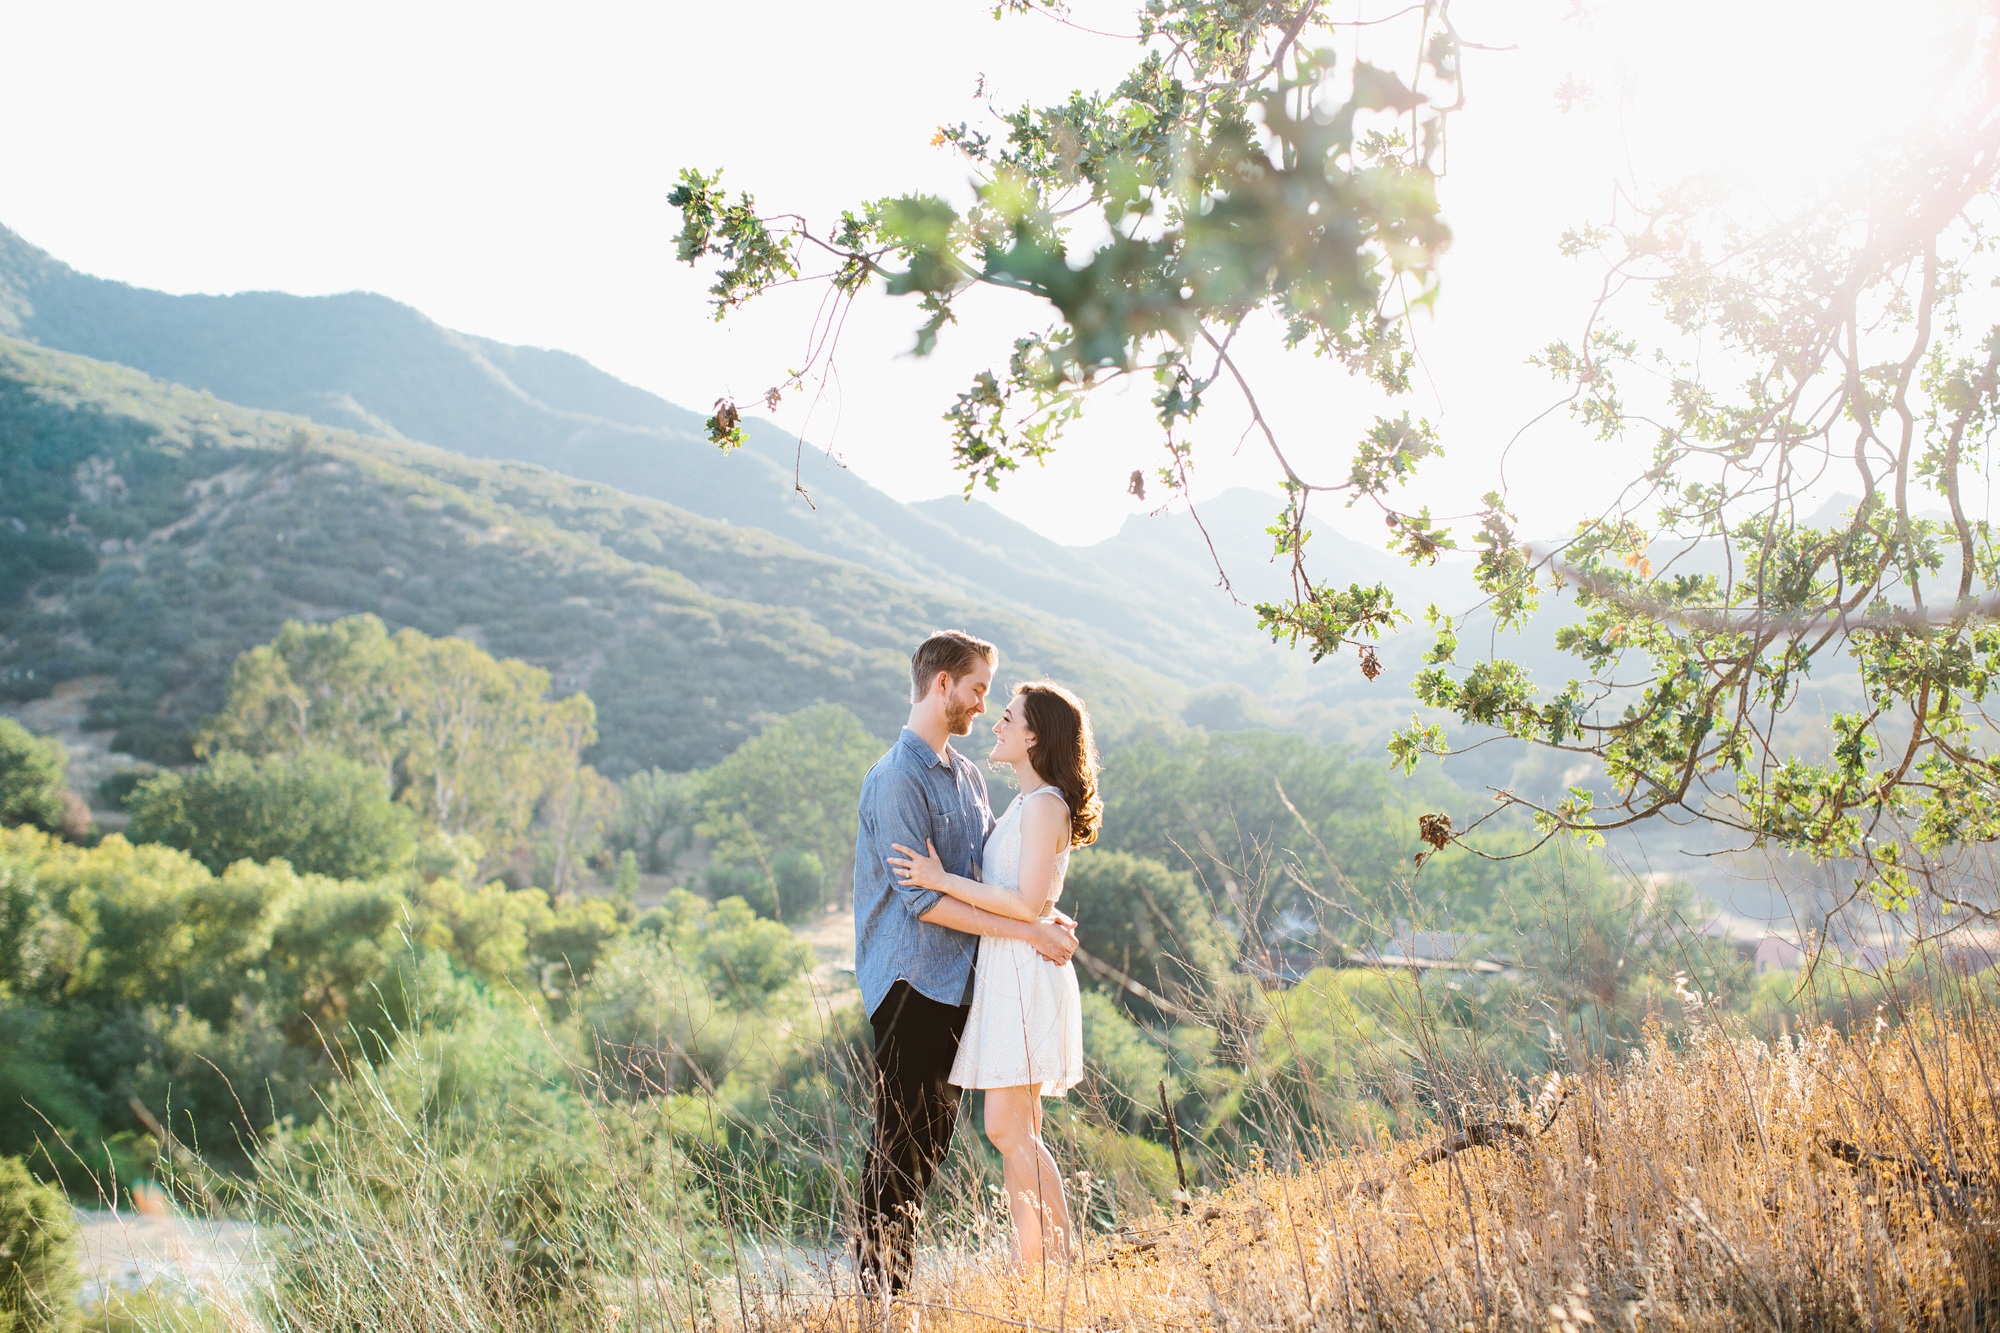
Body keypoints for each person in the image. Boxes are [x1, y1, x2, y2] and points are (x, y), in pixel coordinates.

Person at [853, 631, 1079, 1298]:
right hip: (912, 982)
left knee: (926, 1148)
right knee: (898, 1143)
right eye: (978, 688)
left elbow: (995, 875)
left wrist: (1039, 918)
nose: (984, 704)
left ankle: (900, 1289)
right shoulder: (895, 778)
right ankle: (880, 1296)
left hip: (967, 987)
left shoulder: (973, 777)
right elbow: (924, 900)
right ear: (942, 683)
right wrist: (1027, 928)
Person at [888, 680, 1102, 1275]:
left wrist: (940, 878)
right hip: (1009, 967)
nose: (996, 723)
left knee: (1009, 1128)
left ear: (1034, 736)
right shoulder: (1026, 804)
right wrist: (1039, 913)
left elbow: (1025, 899)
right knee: (1017, 1129)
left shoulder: (1044, 805)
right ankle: (1034, 1266)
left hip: (1025, 974)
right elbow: (1033, 900)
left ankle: (1058, 1263)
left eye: (1007, 717)